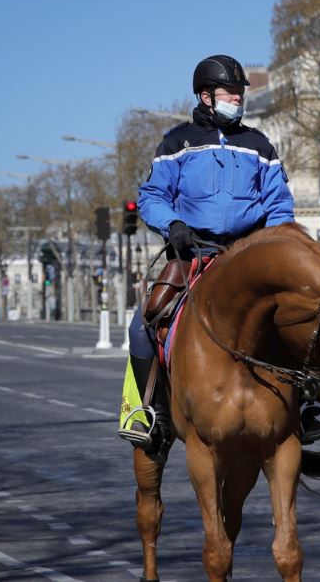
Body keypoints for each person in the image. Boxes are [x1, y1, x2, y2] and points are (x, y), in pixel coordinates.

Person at [119, 54, 297, 455]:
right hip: (192, 250)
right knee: (142, 323)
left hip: (247, 253)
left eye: (240, 93)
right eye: (230, 93)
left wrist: (273, 242)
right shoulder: (176, 142)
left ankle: (308, 406)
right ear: (205, 96)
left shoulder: (259, 145)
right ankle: (149, 412)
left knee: (297, 315)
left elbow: (280, 202)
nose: (238, 99)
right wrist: (173, 226)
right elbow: (151, 197)